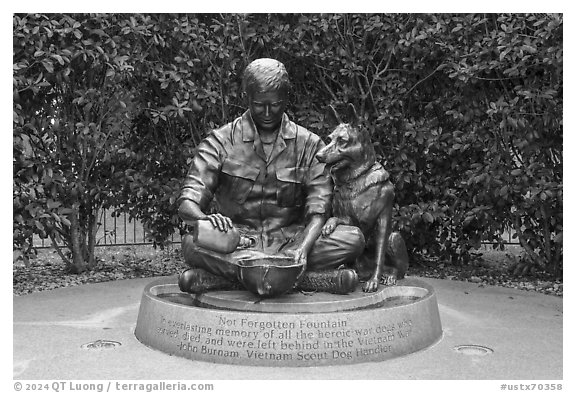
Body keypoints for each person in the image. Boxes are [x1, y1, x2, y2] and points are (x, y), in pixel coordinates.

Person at [177, 58, 365, 294]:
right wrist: (204, 220)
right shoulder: (220, 141)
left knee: (352, 239)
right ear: (247, 98)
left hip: (291, 242)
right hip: (238, 243)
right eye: (259, 105)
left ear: (286, 99)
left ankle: (238, 277)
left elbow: (319, 210)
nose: (267, 112)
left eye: (275, 105)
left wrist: (302, 248)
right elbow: (187, 203)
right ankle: (299, 278)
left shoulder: (308, 144)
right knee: (191, 244)